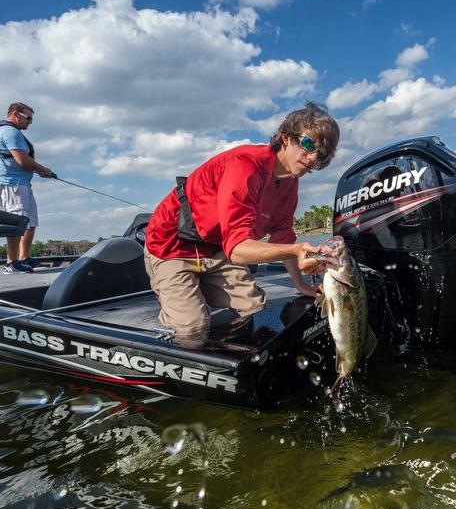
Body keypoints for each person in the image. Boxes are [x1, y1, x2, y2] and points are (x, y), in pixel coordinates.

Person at [144, 102, 340, 345]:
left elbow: (284, 237)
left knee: (253, 307)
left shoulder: (290, 185)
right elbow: (237, 250)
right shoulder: (244, 165)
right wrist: (296, 250)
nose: (312, 158)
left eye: (320, 156)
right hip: (172, 247)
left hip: (214, 249)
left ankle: (203, 294)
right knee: (192, 329)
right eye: (308, 145)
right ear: (286, 137)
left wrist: (301, 285)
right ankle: (171, 299)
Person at [0, 102, 53, 274]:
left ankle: (24, 258)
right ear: (16, 114)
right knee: (17, 224)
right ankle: (11, 263)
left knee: (30, 222)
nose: (30, 122)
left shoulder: (13, 132)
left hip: (21, 184)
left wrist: (38, 170)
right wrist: (43, 169)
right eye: (28, 118)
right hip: (11, 185)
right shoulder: (9, 131)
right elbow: (22, 160)